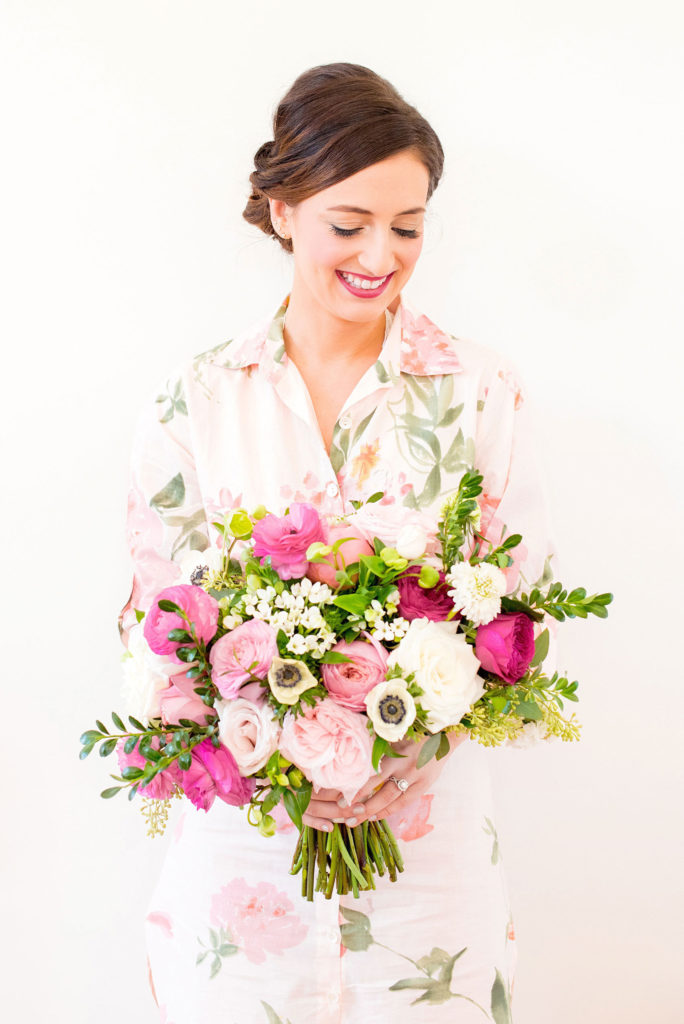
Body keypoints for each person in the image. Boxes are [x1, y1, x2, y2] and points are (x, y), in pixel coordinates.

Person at [121, 62, 553, 1024]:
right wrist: (276, 771)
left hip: (428, 858)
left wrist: (416, 735)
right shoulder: (197, 399)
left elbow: (520, 610)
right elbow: (155, 629)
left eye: (408, 226)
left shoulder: (479, 390)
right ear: (281, 211)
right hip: (243, 865)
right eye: (347, 224)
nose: (380, 254)